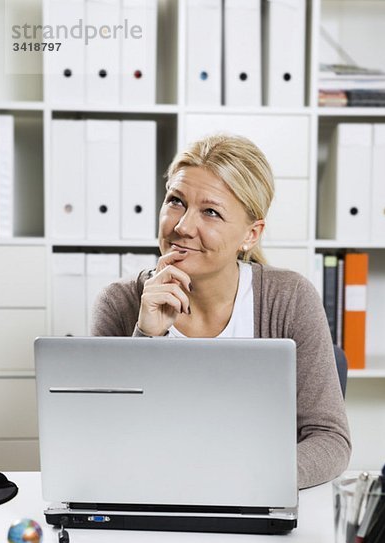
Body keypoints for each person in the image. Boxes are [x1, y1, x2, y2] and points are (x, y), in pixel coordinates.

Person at [91, 133, 351, 489]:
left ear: (251, 234)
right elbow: (100, 440)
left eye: (210, 212)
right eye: (175, 201)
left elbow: (329, 438)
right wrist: (146, 338)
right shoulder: (119, 303)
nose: (182, 226)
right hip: (151, 496)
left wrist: (247, 481)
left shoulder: (289, 298)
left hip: (254, 495)